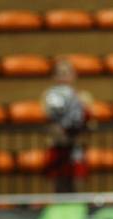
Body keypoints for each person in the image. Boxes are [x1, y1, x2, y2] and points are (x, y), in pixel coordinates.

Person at [41, 58, 93, 193]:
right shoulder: (48, 96)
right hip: (58, 147)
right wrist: (62, 137)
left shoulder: (84, 97)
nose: (63, 77)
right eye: (60, 73)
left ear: (74, 75)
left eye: (67, 73)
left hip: (76, 147)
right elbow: (50, 121)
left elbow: (91, 123)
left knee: (78, 184)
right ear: (54, 77)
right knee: (58, 186)